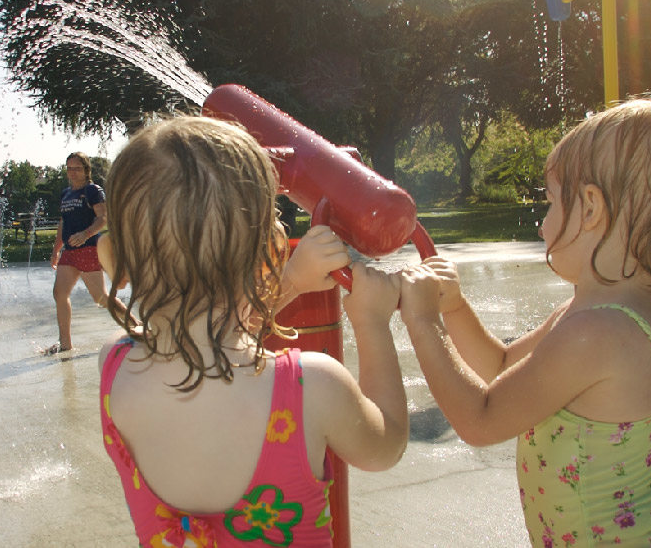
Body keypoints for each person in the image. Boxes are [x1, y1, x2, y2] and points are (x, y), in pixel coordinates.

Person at [398, 95, 651, 547]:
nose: (543, 227)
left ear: (590, 208)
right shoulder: (595, 315)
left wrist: (422, 321)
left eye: (550, 205)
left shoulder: (597, 333)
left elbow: (481, 420)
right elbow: (503, 367)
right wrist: (453, 308)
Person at [97, 116, 409, 546]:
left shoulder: (113, 368)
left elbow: (205, 337)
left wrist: (295, 282)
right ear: (269, 252)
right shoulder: (312, 387)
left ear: (115, 261)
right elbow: (386, 445)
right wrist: (372, 323)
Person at [47, 152, 116, 353]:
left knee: (101, 298)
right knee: (59, 293)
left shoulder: (93, 191)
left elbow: (102, 218)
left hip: (88, 249)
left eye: (77, 168)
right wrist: (56, 250)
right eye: (69, 168)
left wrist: (86, 234)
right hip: (69, 252)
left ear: (86, 170)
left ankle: (135, 324)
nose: (72, 173)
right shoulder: (65, 194)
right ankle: (65, 344)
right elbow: (63, 223)